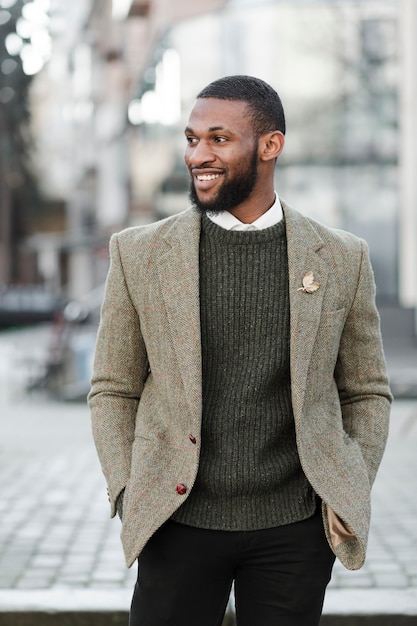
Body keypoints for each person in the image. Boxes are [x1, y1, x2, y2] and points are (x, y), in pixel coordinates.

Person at [88, 75, 392, 626]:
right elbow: (114, 386)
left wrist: (347, 476)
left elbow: (366, 389)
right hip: (176, 519)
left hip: (295, 529)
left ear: (270, 146)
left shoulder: (343, 257)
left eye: (219, 139)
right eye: (191, 139)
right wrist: (131, 486)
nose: (197, 155)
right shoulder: (139, 254)